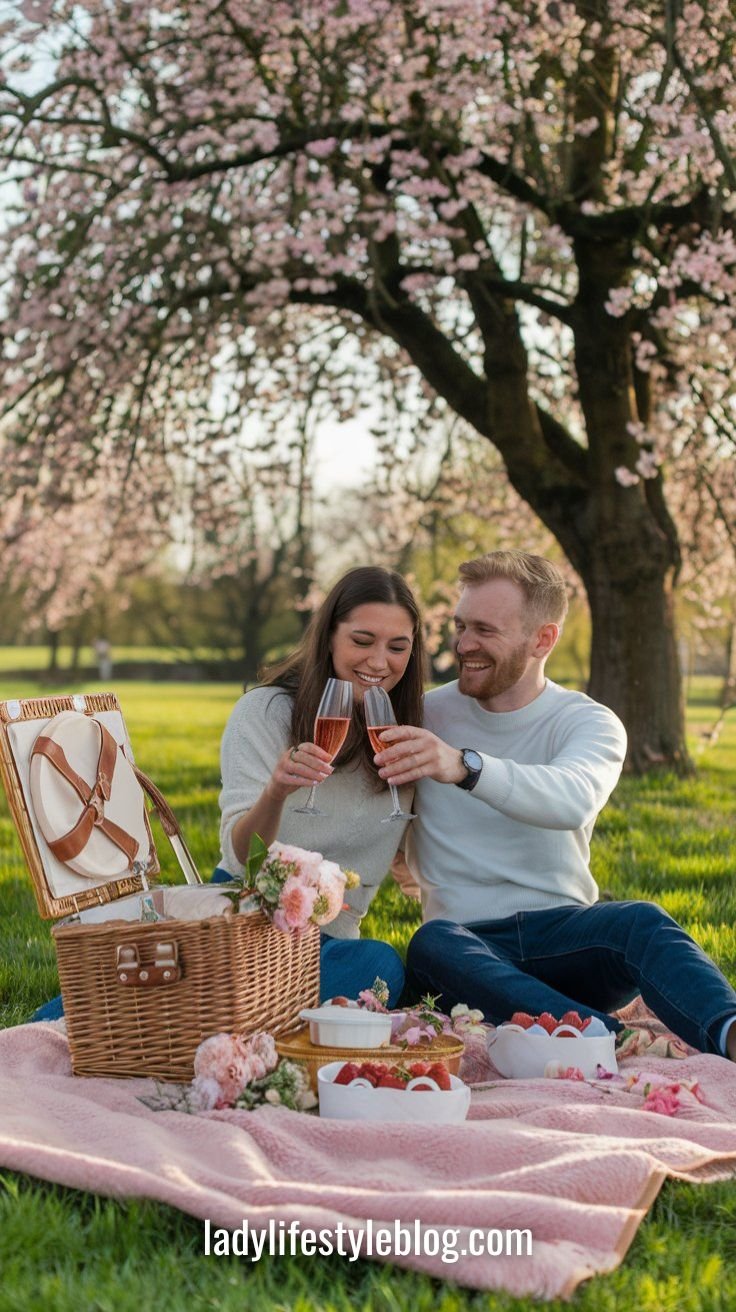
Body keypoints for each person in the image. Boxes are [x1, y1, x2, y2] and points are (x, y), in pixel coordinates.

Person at [373, 550, 736, 1059]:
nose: (463, 644)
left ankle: (727, 1033)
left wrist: (463, 765)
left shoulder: (588, 722)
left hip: (567, 941)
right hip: (468, 950)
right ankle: (611, 1037)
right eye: (460, 625)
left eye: (484, 630)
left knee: (642, 920)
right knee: (431, 943)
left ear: (543, 639)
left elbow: (572, 798)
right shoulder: (422, 713)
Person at [212, 565, 426, 1006]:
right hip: (245, 921)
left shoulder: (409, 735)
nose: (379, 662)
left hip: (328, 945)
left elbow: (421, 853)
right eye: (362, 641)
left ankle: (225, 1011)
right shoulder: (266, 712)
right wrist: (275, 792)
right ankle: (233, 1007)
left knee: (380, 969)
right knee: (85, 1015)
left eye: (397, 647)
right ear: (329, 636)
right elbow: (239, 856)